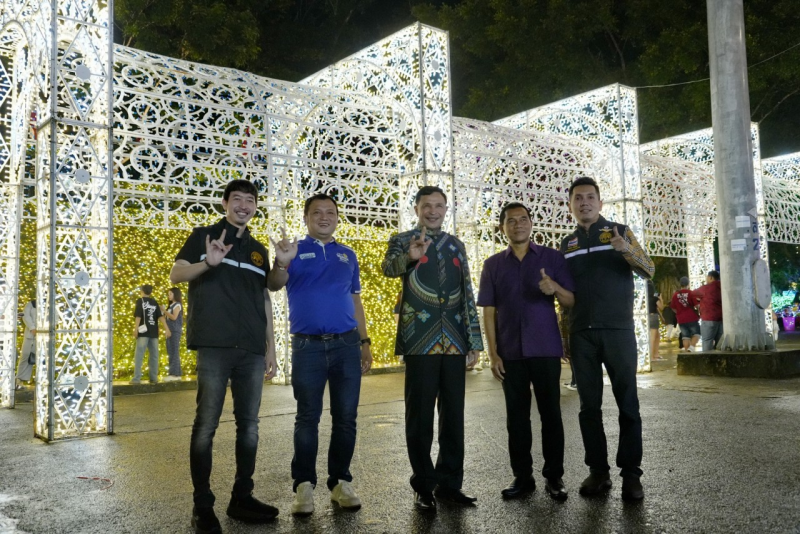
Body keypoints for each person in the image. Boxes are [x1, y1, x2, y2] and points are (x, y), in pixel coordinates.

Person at [170, 179, 287, 533]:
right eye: (237, 199)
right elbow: (176, 273)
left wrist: (270, 346)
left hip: (250, 349)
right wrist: (208, 262)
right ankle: (202, 505)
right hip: (214, 346)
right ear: (224, 203)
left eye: (250, 200)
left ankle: (242, 497)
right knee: (206, 425)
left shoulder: (257, 249)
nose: (244, 205)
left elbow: (267, 294)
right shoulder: (203, 236)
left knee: (249, 426)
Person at [382, 185, 483, 512]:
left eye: (439, 205)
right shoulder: (402, 240)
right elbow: (387, 268)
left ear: (445, 209)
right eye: (427, 205)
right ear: (416, 208)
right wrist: (409, 257)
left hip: (454, 340)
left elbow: (467, 292)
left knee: (453, 415)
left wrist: (473, 340)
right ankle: (423, 485)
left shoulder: (457, 245)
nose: (433, 211)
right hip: (419, 339)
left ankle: (450, 484)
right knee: (420, 416)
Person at [559, 176, 654, 501]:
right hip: (581, 335)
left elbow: (648, 269)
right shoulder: (567, 245)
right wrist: (565, 336)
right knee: (589, 407)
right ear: (571, 205)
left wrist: (626, 250)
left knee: (628, 404)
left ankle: (631, 475)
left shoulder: (619, 231)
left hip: (618, 332)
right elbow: (565, 296)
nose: (584, 202)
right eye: (578, 198)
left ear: (600, 203)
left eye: (590, 197)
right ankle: (598, 472)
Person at [279, 193, 372, 516]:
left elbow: (355, 299)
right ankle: (303, 485)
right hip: (307, 347)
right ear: (306, 218)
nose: (324, 217)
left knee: (346, 417)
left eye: (330, 212)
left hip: (346, 345)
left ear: (336, 218)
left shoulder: (348, 254)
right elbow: (275, 284)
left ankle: (340, 481)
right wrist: (281, 262)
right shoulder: (293, 250)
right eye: (316, 212)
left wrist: (365, 341)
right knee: (307, 417)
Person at [478, 202, 574, 501]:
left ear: (531, 224)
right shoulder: (493, 264)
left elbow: (570, 300)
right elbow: (489, 311)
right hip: (510, 351)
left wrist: (554, 288)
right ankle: (522, 477)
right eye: (511, 220)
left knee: (551, 414)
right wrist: (493, 353)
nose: (517, 224)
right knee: (516, 418)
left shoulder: (552, 258)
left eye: (523, 219)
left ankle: (554, 477)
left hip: (545, 348)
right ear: (502, 227)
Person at [131, 285, 171, 385]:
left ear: (142, 291)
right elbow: (160, 317)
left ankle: (136, 378)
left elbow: (138, 316)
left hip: (143, 332)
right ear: (151, 292)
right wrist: (167, 328)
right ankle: (153, 377)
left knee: (139, 355)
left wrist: (135, 329)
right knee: (154, 355)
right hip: (154, 332)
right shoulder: (154, 302)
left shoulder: (140, 301)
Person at [691, 270, 723, 351]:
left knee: (707, 342)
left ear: (710, 277)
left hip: (708, 318)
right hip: (722, 319)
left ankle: (707, 358)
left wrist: (699, 300)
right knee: (720, 343)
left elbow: (692, 294)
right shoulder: (723, 287)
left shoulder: (706, 288)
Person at [671, 277, 700, 352]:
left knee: (685, 337)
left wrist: (679, 312)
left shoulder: (675, 295)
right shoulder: (691, 293)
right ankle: (692, 347)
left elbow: (673, 308)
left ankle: (687, 352)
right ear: (688, 284)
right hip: (692, 317)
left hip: (681, 319)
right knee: (697, 333)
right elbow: (697, 306)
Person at [163, 287, 184, 381]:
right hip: (170, 330)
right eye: (168, 294)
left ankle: (174, 374)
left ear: (176, 294)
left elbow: (174, 317)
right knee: (171, 351)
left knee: (174, 351)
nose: (169, 296)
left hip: (174, 330)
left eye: (170, 294)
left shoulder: (177, 305)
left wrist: (164, 311)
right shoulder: (171, 305)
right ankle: (176, 373)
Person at [15, 300, 36, 389]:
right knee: (25, 356)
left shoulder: (51, 304)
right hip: (30, 335)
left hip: (45, 335)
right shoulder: (31, 304)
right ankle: (19, 379)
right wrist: (32, 327)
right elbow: (26, 316)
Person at [647, 281, 662, 361]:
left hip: (647, 317)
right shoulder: (654, 298)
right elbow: (661, 307)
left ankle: (655, 354)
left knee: (657, 336)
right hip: (653, 317)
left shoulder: (645, 298)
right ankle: (652, 356)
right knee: (653, 337)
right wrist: (661, 299)